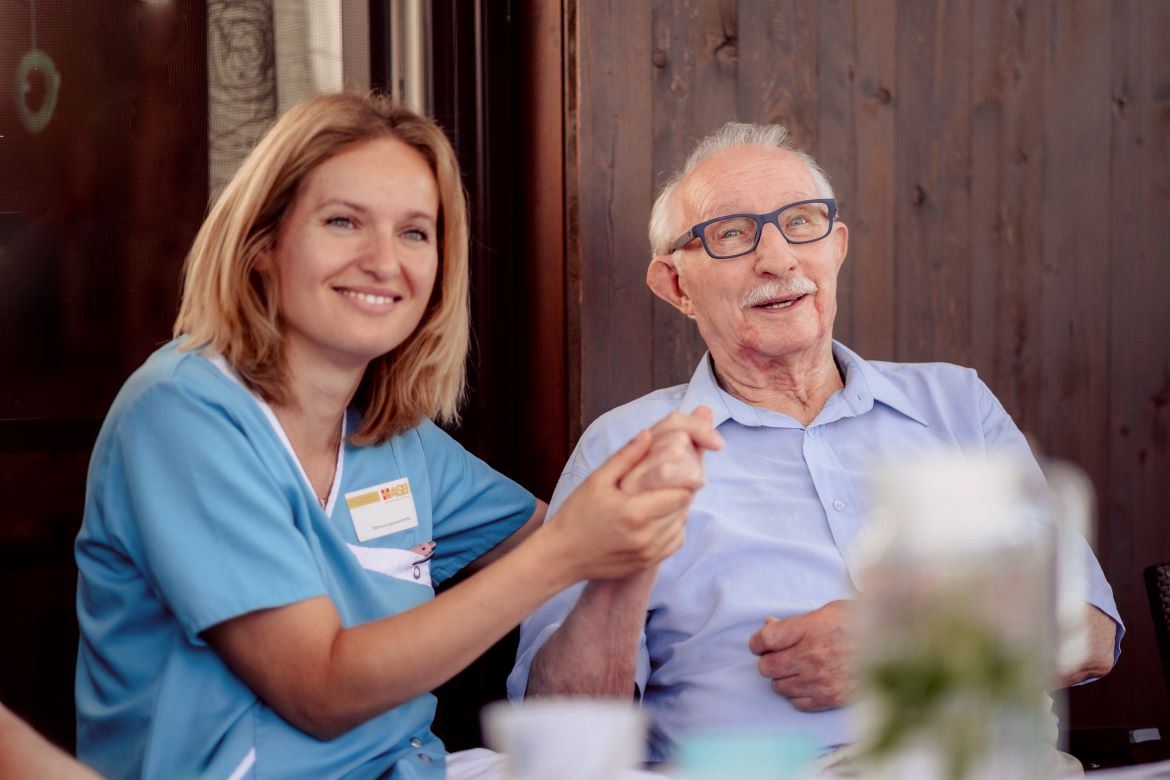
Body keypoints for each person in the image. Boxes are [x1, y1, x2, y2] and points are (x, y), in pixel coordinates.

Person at [73, 92, 721, 780]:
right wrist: (569, 550)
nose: (386, 262)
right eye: (344, 221)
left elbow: (553, 533)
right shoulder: (182, 415)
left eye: (415, 232)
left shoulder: (393, 436)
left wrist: (646, 502)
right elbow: (318, 691)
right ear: (262, 244)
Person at [508, 122, 1123, 764]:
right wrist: (623, 568)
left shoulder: (955, 406)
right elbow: (561, 724)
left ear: (838, 247)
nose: (778, 259)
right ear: (676, 286)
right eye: (731, 235)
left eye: (802, 223)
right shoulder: (628, 447)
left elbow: (1092, 635)